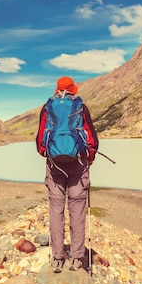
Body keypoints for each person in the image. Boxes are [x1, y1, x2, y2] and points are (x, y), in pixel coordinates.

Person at [35, 76, 99, 273]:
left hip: (55, 165)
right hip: (78, 164)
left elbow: (40, 142)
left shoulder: (48, 108)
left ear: (57, 89)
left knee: (56, 210)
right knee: (77, 210)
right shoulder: (81, 106)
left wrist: (49, 154)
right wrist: (88, 158)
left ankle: (57, 257)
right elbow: (92, 139)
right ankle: (77, 258)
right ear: (73, 90)